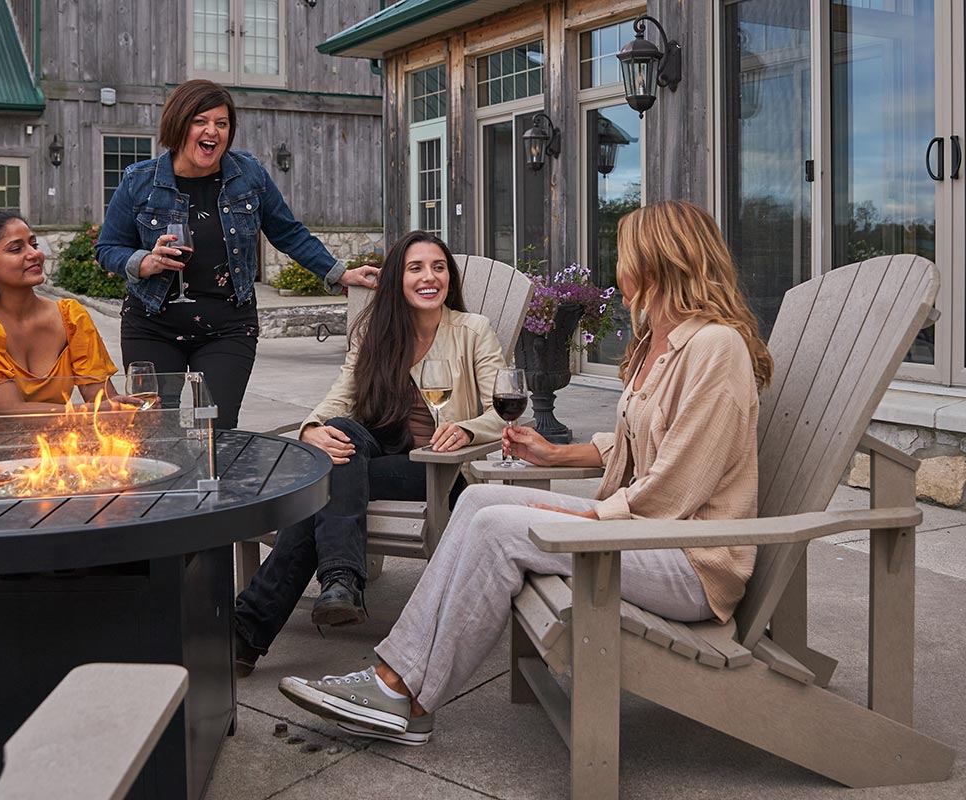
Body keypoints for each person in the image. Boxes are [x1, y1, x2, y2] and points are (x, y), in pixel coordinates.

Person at [277, 200, 774, 746]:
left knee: (502, 528)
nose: (618, 271)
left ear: (658, 262)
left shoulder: (714, 348)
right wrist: (556, 456)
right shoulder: (656, 342)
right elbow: (641, 445)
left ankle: (405, 693)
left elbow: (676, 485)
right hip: (646, 535)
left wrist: (579, 515)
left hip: (690, 560)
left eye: (625, 257)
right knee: (476, 503)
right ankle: (393, 681)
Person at [234, 230, 508, 678]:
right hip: (378, 449)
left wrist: (467, 428)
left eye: (438, 267)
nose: (429, 277)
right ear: (397, 278)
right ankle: (339, 583)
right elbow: (341, 395)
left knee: (325, 480)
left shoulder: (472, 330)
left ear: (449, 278)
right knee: (339, 437)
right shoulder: (375, 333)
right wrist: (312, 428)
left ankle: (253, 628)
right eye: (416, 268)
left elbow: (510, 407)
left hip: (435, 466)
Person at [95, 79, 379, 430]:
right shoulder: (139, 180)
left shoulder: (249, 175)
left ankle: (214, 487)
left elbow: (288, 232)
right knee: (154, 431)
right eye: (200, 121)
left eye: (221, 123)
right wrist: (145, 262)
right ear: (178, 124)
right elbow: (107, 249)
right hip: (152, 325)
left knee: (216, 429)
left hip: (227, 327)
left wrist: (339, 273)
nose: (211, 131)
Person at [0, 211, 120, 421]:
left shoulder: (70, 318)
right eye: (16, 249)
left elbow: (104, 402)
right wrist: (93, 412)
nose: (34, 254)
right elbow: (9, 412)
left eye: (34, 245)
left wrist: (129, 412)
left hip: (38, 441)